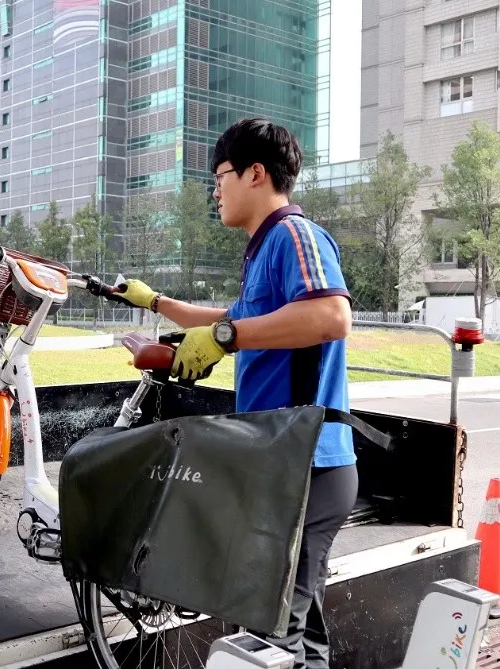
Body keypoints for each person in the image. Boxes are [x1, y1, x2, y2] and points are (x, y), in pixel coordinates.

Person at [116, 118, 356, 669]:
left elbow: (331, 315)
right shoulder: (265, 249)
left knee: (267, 640)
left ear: (255, 173)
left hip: (306, 466)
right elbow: (232, 318)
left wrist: (224, 338)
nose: (215, 189)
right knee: (297, 639)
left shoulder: (295, 234)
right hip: (283, 465)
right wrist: (155, 304)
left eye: (219, 176)